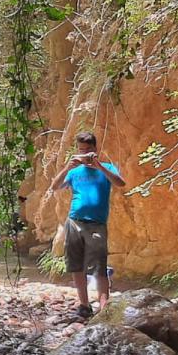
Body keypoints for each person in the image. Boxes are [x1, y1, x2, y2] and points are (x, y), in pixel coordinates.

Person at [51, 131, 125, 318]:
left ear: (95, 149)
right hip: (74, 220)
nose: (85, 154)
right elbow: (55, 186)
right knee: (76, 265)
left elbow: (120, 183)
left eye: (88, 150)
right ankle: (84, 305)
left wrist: (100, 167)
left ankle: (104, 307)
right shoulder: (74, 172)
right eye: (81, 150)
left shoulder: (107, 168)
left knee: (100, 267)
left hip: (97, 224)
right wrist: (67, 167)